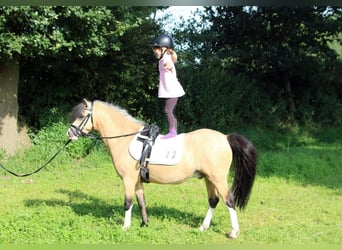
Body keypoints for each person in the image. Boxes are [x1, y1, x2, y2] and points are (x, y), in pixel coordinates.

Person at [150, 34, 185, 139]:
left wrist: (168, 66)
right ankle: (174, 131)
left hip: (173, 91)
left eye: (156, 48)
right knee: (170, 111)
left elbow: (169, 63)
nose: (154, 51)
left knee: (168, 110)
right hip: (170, 91)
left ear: (163, 48)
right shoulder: (162, 59)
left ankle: (173, 132)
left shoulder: (166, 58)